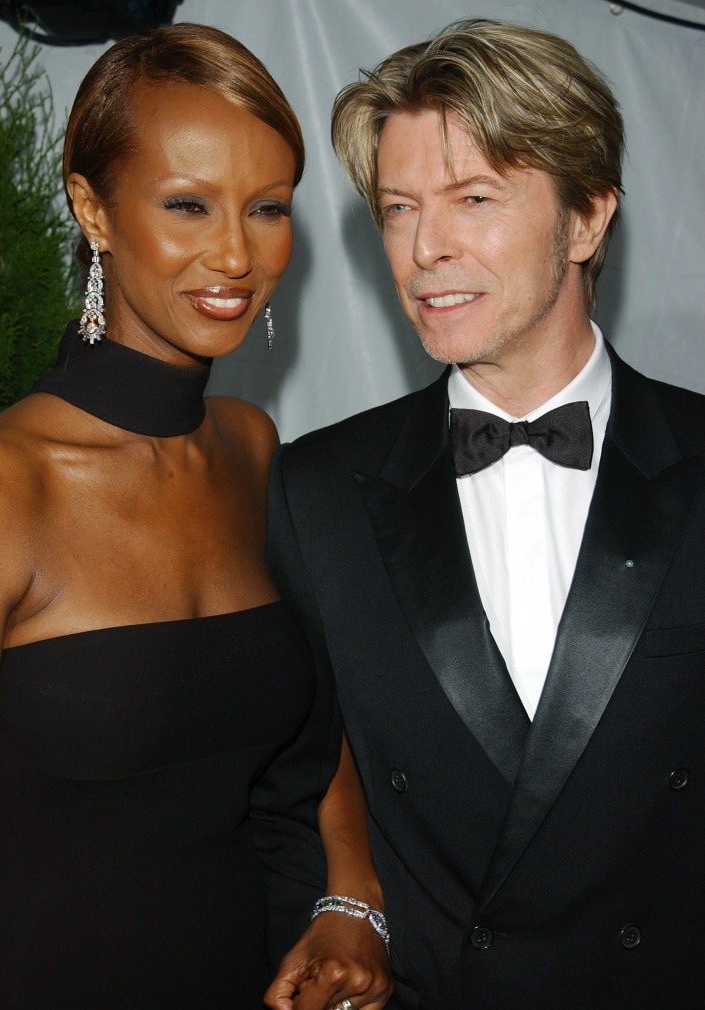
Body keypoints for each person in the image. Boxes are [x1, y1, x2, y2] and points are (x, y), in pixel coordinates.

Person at [0, 24, 390, 1009]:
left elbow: (313, 731)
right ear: (91, 208)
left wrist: (352, 897)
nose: (235, 251)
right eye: (187, 203)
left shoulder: (250, 446)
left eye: (267, 207)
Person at [266, 18, 705, 1010]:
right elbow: (290, 794)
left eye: (473, 198)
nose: (426, 249)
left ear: (586, 218)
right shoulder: (315, 492)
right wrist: (344, 919)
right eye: (397, 209)